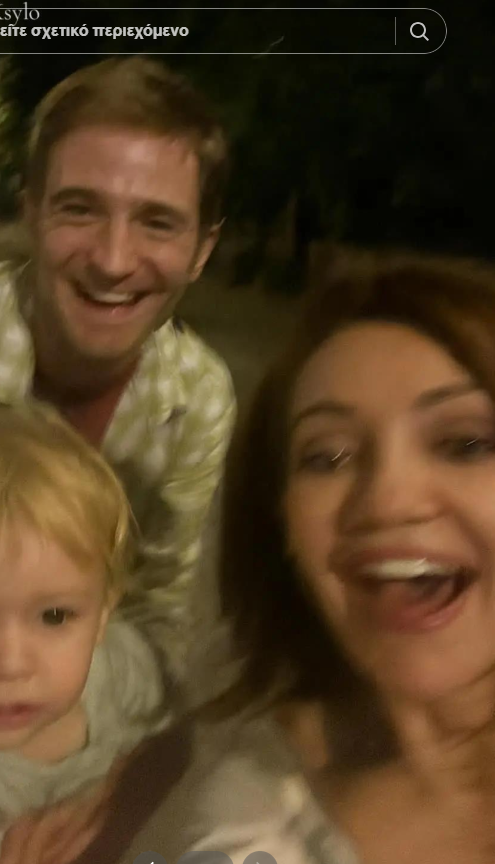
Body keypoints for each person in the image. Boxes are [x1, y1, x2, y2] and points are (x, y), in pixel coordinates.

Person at [0, 56, 235, 692]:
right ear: (31, 215)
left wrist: (92, 733)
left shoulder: (197, 398)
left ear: (201, 250)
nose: (113, 260)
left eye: (157, 222)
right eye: (80, 209)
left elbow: (153, 612)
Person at [186, 245, 495, 863]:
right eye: (327, 457)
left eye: (464, 443)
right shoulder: (253, 814)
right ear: (281, 525)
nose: (386, 501)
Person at [0, 402, 169, 863]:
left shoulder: (120, 668)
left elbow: (191, 736)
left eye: (53, 616)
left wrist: (136, 777)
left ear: (102, 615)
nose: (11, 664)